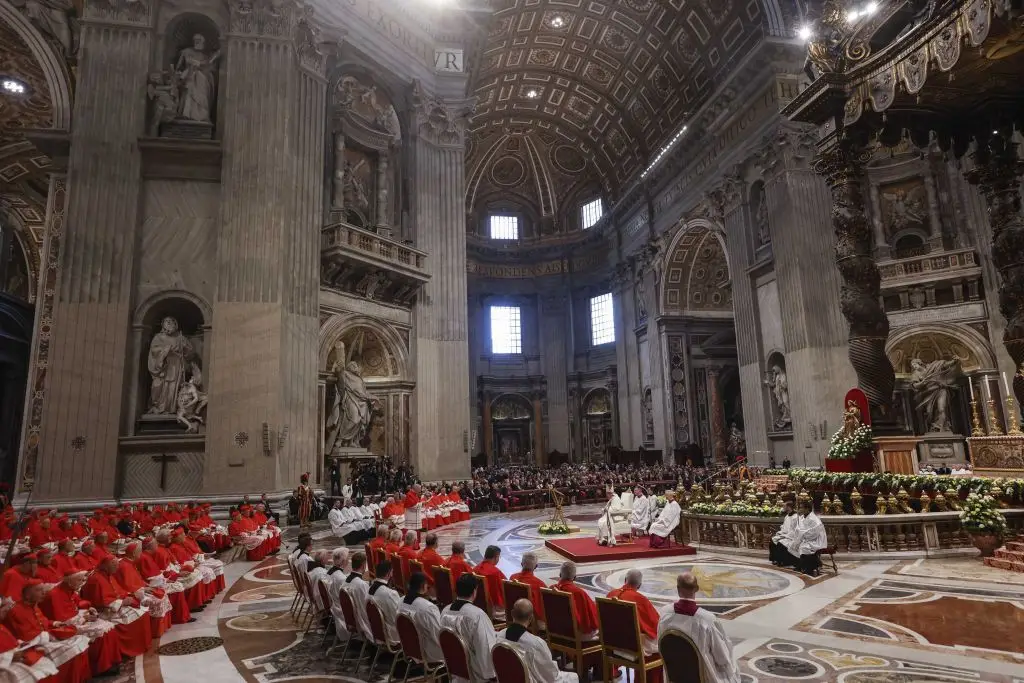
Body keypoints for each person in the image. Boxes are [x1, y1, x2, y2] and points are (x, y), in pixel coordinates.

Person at [3, 580, 92, 683]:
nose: (43, 593)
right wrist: (49, 635)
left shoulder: (34, 605)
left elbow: (43, 622)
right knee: (73, 647)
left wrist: (55, 623)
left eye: (43, 590)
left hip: (46, 638)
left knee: (80, 640)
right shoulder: (16, 611)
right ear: (27, 595)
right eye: (39, 590)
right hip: (34, 645)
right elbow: (24, 635)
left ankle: (80, 678)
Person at [657, 572, 739, 683]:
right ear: (697, 588)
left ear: (677, 588)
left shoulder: (664, 613)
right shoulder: (707, 619)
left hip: (675, 675)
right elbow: (722, 658)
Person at [40, 570, 122, 676]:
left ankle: (111, 663)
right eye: (79, 580)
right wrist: (85, 618)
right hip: (65, 628)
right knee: (102, 633)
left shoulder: (70, 589)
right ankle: (101, 668)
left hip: (79, 620)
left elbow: (78, 602)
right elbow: (63, 620)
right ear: (70, 582)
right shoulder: (54, 595)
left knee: (110, 627)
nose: (82, 582)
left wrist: (89, 609)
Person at [80, 556, 153, 658]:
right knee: (139, 616)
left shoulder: (108, 575)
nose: (117, 567)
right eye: (114, 564)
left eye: (117, 564)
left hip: (116, 605)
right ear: (105, 566)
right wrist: (123, 602)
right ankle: (131, 648)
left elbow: (117, 591)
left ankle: (140, 645)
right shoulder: (96, 579)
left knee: (143, 611)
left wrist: (127, 597)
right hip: (105, 611)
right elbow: (102, 602)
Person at [497, 599, 578, 683]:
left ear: (512, 613)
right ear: (531, 618)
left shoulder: (499, 636)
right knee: (573, 677)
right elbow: (551, 676)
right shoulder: (536, 644)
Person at [440, 575, 497, 683]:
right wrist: (492, 675)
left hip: (455, 670)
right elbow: (485, 646)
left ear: (456, 590)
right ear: (474, 591)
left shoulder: (445, 611)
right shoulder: (477, 615)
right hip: (475, 674)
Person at [607, 569, 661, 664]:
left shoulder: (611, 594)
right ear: (639, 585)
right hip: (632, 646)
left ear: (625, 580)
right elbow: (656, 624)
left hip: (611, 642)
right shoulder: (640, 599)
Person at [400, 572, 443, 663]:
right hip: (430, 654)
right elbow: (438, 635)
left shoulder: (401, 601)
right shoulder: (428, 607)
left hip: (409, 648)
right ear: (424, 586)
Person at [552, 562, 599, 640]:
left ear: (560, 574)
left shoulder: (551, 589)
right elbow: (590, 618)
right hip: (575, 634)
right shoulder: (579, 593)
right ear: (574, 577)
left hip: (555, 630)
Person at [785, 502, 827, 576]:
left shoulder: (814, 519)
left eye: (801, 508)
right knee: (792, 545)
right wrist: (800, 533)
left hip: (816, 539)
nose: (800, 509)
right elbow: (798, 528)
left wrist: (802, 534)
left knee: (804, 547)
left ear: (807, 509)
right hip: (807, 538)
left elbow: (814, 533)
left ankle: (809, 568)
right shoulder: (802, 517)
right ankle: (802, 565)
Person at [368, 561, 401, 646]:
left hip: (376, 632)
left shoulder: (369, 589)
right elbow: (397, 618)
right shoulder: (390, 594)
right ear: (388, 574)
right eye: (392, 572)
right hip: (393, 637)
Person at [509, 552, 547, 624]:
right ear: (536, 566)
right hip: (530, 621)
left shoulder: (512, 577)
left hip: (512, 616)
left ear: (521, 564)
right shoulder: (540, 584)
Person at [341, 552, 371, 639]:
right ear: (363, 565)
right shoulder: (361, 584)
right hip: (361, 621)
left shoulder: (345, 580)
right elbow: (366, 607)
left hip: (350, 619)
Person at [475, 545, 507, 614]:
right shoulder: (495, 572)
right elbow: (506, 588)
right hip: (493, 609)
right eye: (499, 557)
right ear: (496, 557)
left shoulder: (475, 569)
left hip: (476, 604)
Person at [770, 502, 798, 567]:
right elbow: (784, 527)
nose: (783, 508)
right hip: (785, 534)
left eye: (784, 506)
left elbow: (794, 530)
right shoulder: (787, 516)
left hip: (791, 536)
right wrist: (780, 532)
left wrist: (784, 535)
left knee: (780, 543)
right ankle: (775, 559)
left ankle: (783, 561)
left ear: (789, 507)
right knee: (772, 540)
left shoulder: (795, 517)